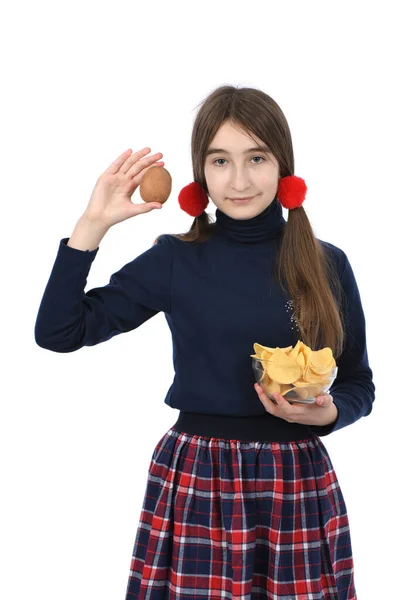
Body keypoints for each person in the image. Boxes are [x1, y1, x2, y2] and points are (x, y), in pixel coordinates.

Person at [34, 85, 375, 599]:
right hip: (197, 477)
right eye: (220, 161)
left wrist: (326, 415)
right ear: (201, 174)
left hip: (294, 479)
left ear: (283, 165)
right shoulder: (175, 258)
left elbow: (357, 384)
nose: (238, 180)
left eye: (256, 158)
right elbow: (60, 332)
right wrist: (92, 226)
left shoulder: (327, 263)